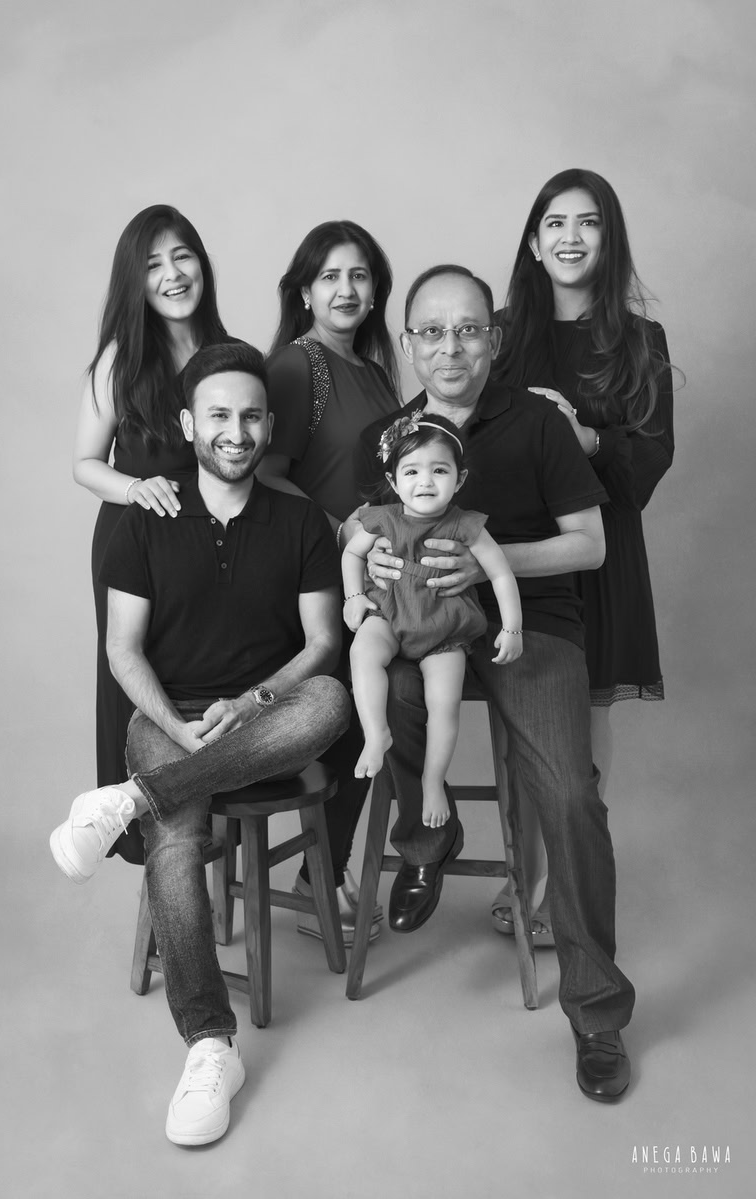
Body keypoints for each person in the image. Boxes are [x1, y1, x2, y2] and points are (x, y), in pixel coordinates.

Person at [51, 341, 351, 1145]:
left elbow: (322, 643)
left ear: (268, 424)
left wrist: (254, 700)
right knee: (177, 844)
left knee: (331, 700)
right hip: (167, 715)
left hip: (269, 711)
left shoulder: (298, 520)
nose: (236, 429)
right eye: (218, 414)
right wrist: (179, 725)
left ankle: (130, 801)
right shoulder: (143, 521)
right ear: (187, 424)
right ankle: (212, 1045)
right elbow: (123, 649)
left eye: (251, 415)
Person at [355, 265, 635, 1101]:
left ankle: (597, 1011)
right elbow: (367, 538)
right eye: (432, 332)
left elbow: (590, 544)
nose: (451, 347)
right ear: (407, 345)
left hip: (531, 619)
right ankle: (428, 838)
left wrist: (483, 562)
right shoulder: (390, 436)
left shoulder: (537, 423)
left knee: (571, 790)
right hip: (422, 622)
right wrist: (372, 559)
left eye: (469, 329)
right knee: (394, 698)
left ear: (495, 337)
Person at [489, 168, 676, 945]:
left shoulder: (640, 340)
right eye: (555, 223)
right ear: (533, 242)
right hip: (517, 555)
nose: (570, 236)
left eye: (588, 222)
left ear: (609, 239)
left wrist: (586, 437)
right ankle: (519, 878)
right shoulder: (497, 334)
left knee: (584, 738)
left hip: (600, 556)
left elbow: (652, 458)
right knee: (523, 732)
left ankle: (552, 895)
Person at [73, 205, 229, 863]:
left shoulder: (228, 354)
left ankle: (195, 828)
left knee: (208, 681)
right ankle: (153, 848)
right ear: (133, 282)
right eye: (153, 264)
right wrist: (133, 487)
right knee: (139, 685)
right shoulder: (120, 359)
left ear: (201, 262)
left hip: (209, 547)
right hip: (134, 544)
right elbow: (84, 464)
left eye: (182, 256)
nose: (171, 274)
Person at [259, 220, 400, 943]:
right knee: (361, 723)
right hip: (314, 580)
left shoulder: (374, 371)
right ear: (305, 291)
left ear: (376, 290)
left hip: (373, 582)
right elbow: (265, 475)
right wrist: (344, 530)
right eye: (330, 277)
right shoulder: (296, 366)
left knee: (386, 713)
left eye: (360, 276)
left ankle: (333, 872)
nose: (347, 290)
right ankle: (324, 881)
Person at [344, 412, 522, 827]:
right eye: (411, 471)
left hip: (445, 626)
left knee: (444, 706)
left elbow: (500, 573)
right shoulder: (383, 518)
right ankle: (375, 734)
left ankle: (432, 781)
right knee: (363, 654)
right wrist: (354, 596)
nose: (425, 482)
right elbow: (352, 553)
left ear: (458, 479)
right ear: (393, 481)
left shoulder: (466, 525)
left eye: (438, 470)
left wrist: (511, 627)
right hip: (388, 613)